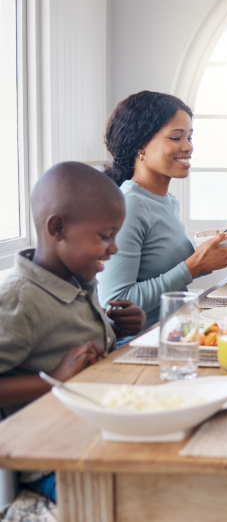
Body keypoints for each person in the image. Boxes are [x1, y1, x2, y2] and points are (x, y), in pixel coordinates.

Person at [0, 162, 147, 501]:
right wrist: (53, 379)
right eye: (105, 236)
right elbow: (59, 363)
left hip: (96, 428)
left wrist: (118, 327)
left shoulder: (77, 279)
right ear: (58, 228)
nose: (114, 248)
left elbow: (68, 337)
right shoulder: (19, 300)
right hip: (55, 457)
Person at [99, 91, 227, 333]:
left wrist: (214, 250)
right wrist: (192, 267)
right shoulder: (129, 205)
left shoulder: (166, 201)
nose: (188, 147)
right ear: (139, 144)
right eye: (175, 137)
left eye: (190, 137)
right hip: (138, 346)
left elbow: (167, 268)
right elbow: (115, 304)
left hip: (177, 333)